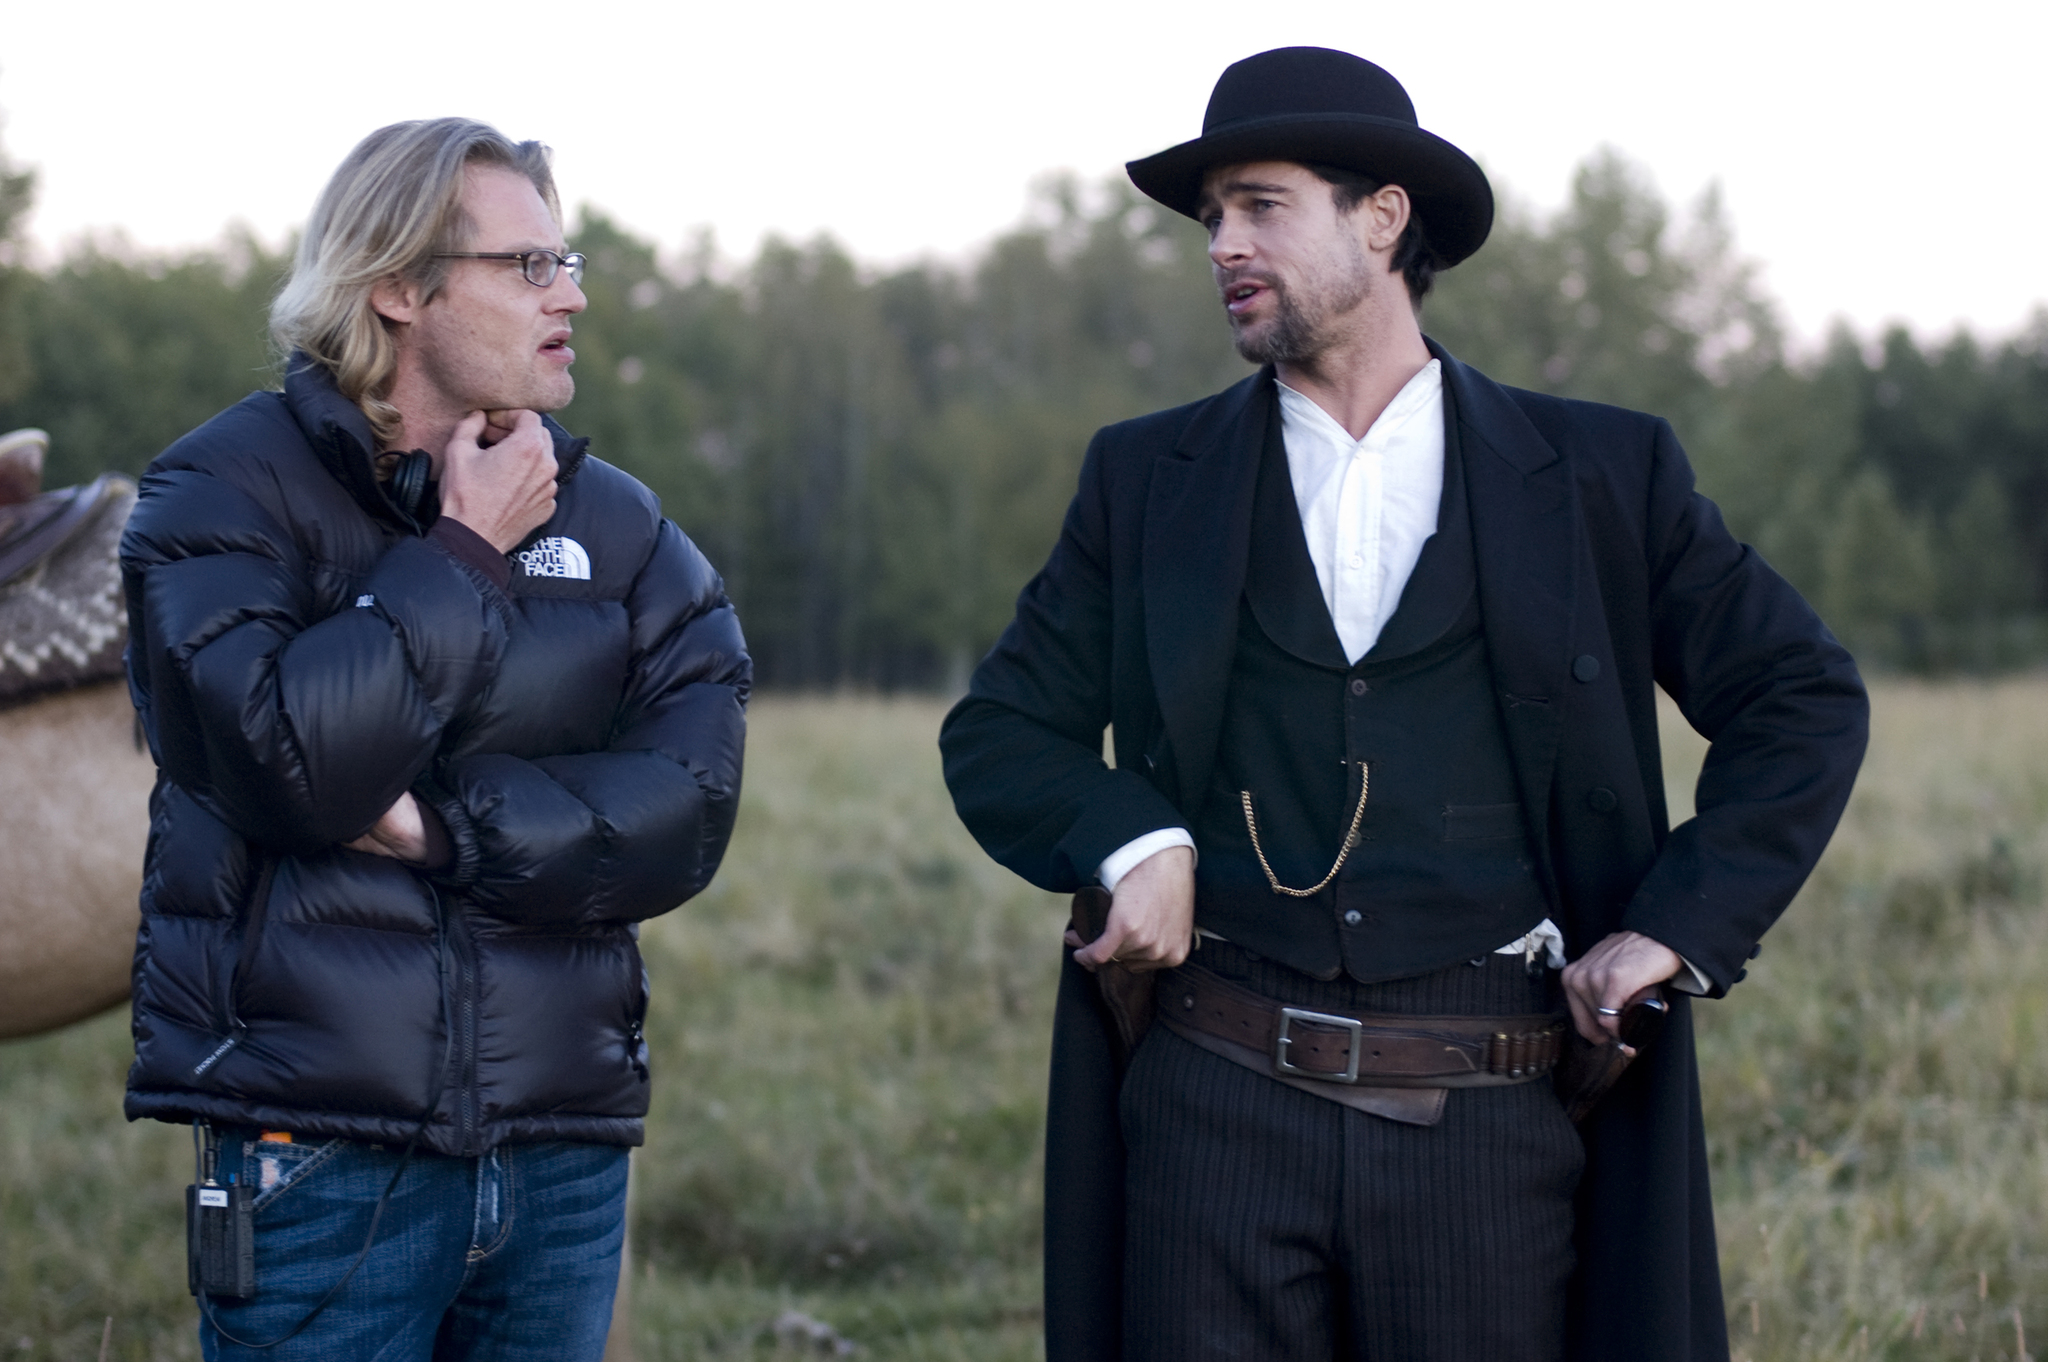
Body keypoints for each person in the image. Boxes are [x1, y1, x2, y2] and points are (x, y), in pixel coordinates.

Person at [939, 47, 1867, 1362]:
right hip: (1212, 1112)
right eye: (1211, 218)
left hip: (1490, 1121)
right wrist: (1132, 837)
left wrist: (1672, 926)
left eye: (1261, 205)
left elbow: (1801, 694)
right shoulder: (1149, 478)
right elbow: (1000, 728)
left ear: (1383, 218)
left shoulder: (1601, 471)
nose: (1222, 244)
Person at [119, 119, 749, 1360]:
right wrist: (460, 552)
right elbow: (286, 765)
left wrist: (439, 825)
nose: (568, 293)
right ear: (400, 286)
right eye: (527, 266)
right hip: (318, 1157)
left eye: (567, 263)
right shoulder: (216, 497)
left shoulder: (617, 528)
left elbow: (687, 804)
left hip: (561, 1161)